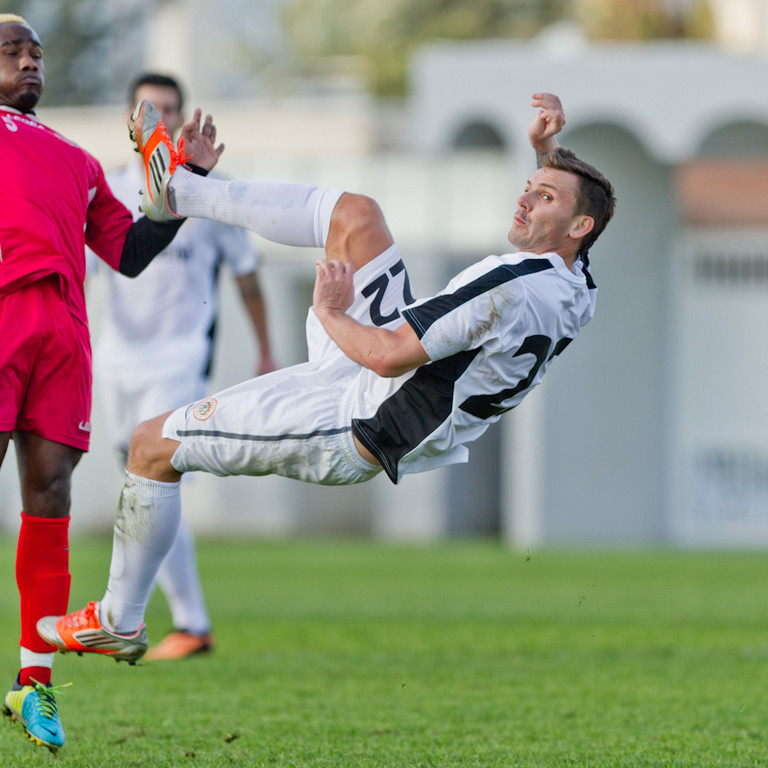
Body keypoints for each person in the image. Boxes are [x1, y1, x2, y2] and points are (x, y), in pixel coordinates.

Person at [38, 94, 615, 672]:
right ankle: (182, 192)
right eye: (530, 185)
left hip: (357, 414)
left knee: (149, 446)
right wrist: (548, 153)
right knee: (356, 215)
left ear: (578, 225)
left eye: (543, 196)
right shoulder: (575, 282)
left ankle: (119, 620)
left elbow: (389, 357)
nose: (524, 198)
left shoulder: (510, 286)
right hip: (373, 381)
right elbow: (573, 217)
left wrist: (332, 312)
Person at [0, 15, 220, 753]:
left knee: (50, 495)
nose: (30, 60)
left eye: (36, 52)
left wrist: (185, 184)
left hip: (64, 331)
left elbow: (128, 251)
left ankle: (35, 687)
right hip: (3, 312)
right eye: (13, 51)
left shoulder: (76, 159)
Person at [89, 72, 277, 662]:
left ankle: (171, 621)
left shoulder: (210, 192)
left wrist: (266, 349)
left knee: (151, 478)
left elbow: (247, 277)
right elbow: (83, 270)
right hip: (118, 359)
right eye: (152, 109)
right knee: (142, 488)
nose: (162, 119)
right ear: (132, 118)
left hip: (180, 358)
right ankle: (175, 623)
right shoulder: (108, 190)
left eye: (171, 109)